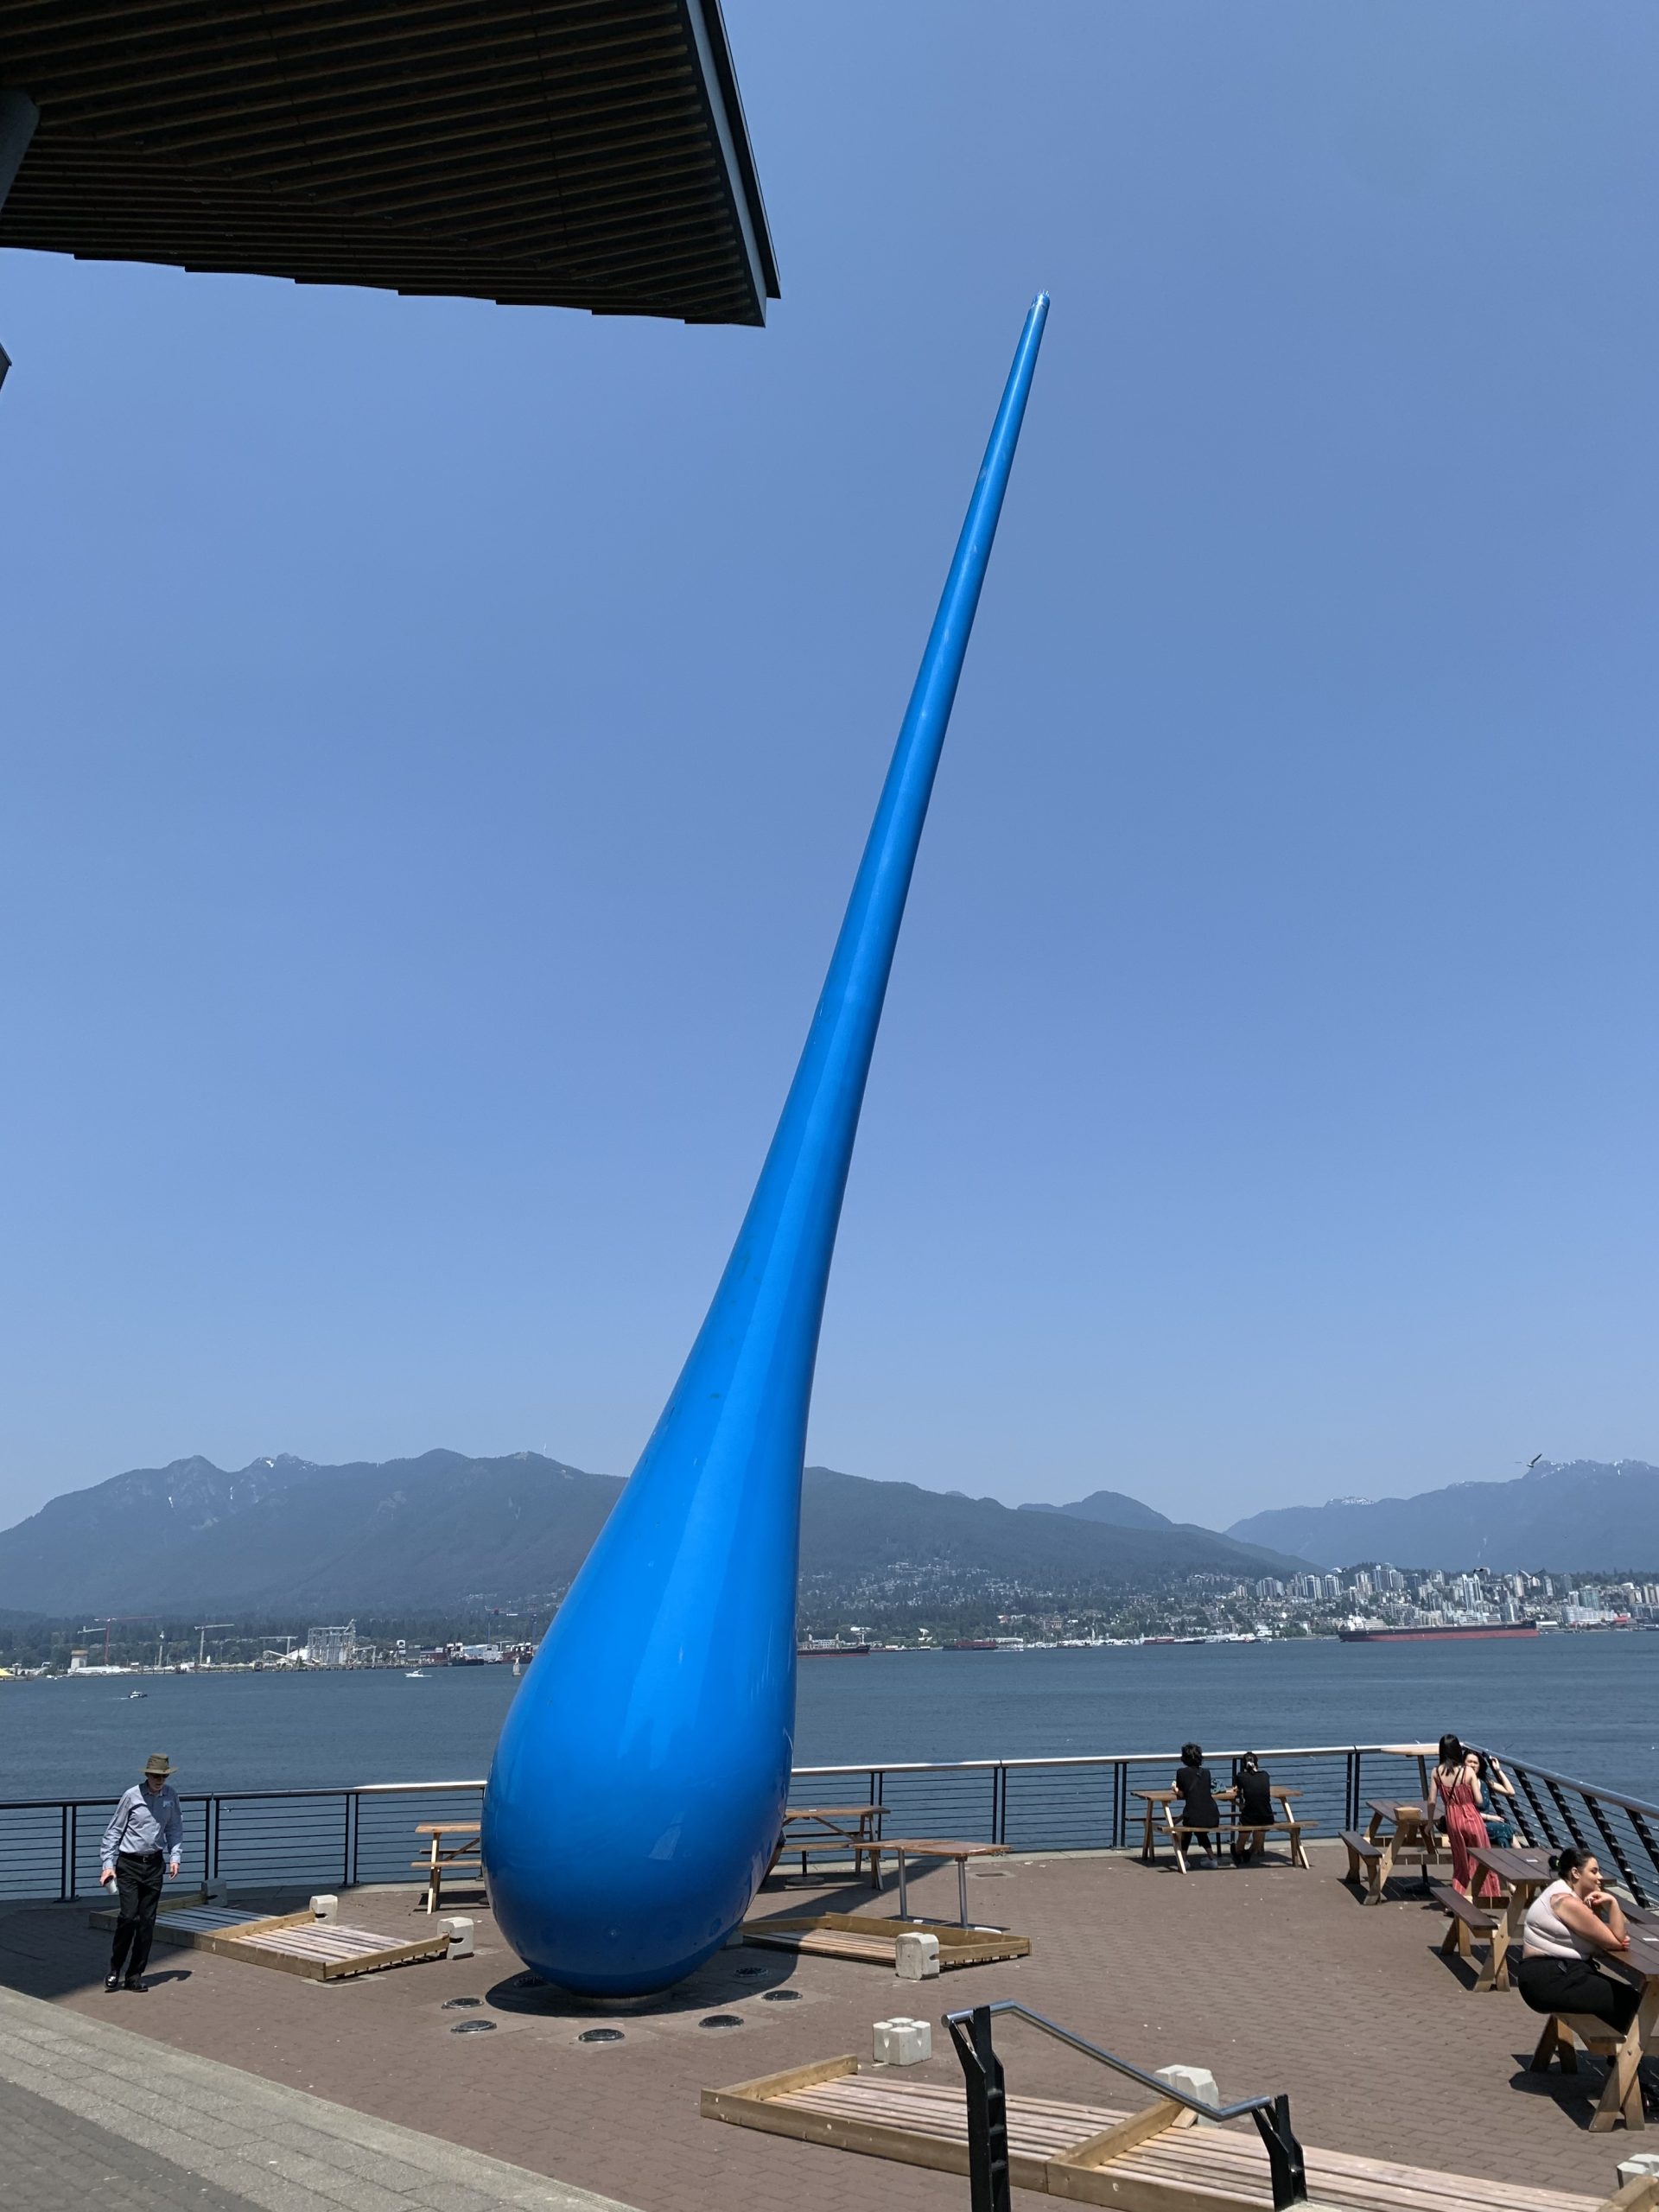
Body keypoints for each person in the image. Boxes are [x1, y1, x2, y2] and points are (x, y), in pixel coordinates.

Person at [1516, 1847, 1639, 2036]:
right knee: (1630, 2000)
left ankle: (1619, 2057)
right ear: (1575, 1873)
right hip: (1549, 1980)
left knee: (1620, 1997)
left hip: (1547, 1975)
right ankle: (1623, 2059)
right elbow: (1616, 1941)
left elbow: (1608, 1934)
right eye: (1594, 1871)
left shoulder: (1561, 1892)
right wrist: (1612, 1903)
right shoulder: (1566, 1902)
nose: (1600, 1877)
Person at [100, 1752, 182, 1992]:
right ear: (147, 1775)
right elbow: (113, 1831)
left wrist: (175, 1856)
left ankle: (134, 1975)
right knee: (128, 1917)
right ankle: (115, 1968)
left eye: (163, 1776)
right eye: (155, 1775)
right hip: (129, 1864)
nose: (159, 1780)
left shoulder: (171, 1796)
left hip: (155, 1864)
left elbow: (175, 1827)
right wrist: (108, 1865)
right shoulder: (132, 1796)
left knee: (147, 1923)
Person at [1433, 1734, 1501, 1902]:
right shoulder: (1467, 1771)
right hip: (1471, 1816)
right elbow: (1479, 1800)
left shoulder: (1436, 1772)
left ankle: (1459, 1900)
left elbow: (1431, 1800)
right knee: (1483, 1859)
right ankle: (1487, 1898)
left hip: (1453, 1819)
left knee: (1461, 1862)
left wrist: (1429, 1823)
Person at [1173, 1742, 1221, 1861]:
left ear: (1184, 1758)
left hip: (1194, 1817)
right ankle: (1212, 1858)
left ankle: (1183, 1860)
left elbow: (1182, 1794)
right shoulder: (1206, 1772)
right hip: (1213, 1816)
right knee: (1196, 1823)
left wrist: (1175, 1789)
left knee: (1190, 1825)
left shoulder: (1181, 1772)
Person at [1231, 1751, 1274, 1864]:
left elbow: (1237, 1789)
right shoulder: (1265, 1775)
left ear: (1244, 1765)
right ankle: (1250, 1853)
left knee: (1241, 1841)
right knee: (1258, 1840)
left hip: (1249, 1818)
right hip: (1267, 1817)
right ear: (1257, 1764)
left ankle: (1238, 1853)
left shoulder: (1241, 1776)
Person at [1476, 1751, 1517, 1850]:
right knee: (1505, 1828)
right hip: (1475, 1823)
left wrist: (1498, 1770)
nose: (1472, 1765)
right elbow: (1466, 1811)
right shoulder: (1464, 1785)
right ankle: (1522, 1856)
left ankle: (1515, 1861)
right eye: (1469, 1762)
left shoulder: (1484, 1781)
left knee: (1502, 1839)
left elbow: (1511, 1792)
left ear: (1480, 1765)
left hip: (1487, 1823)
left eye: (1475, 1763)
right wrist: (1490, 1817)